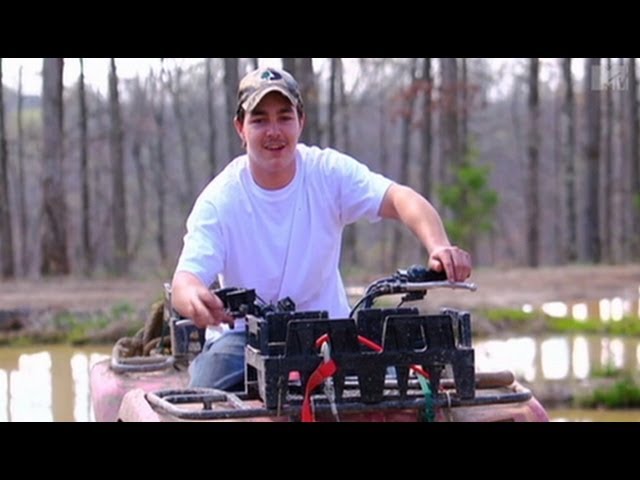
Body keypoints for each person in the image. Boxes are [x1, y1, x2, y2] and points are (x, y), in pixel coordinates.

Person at [170, 66, 472, 391]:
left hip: (329, 332)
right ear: (240, 128)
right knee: (206, 390)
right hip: (244, 338)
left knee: (398, 388)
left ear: (301, 121)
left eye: (284, 117)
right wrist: (195, 299)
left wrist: (439, 246)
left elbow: (400, 199)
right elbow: (184, 281)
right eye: (259, 120)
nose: (274, 131)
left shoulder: (328, 173)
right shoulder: (219, 200)